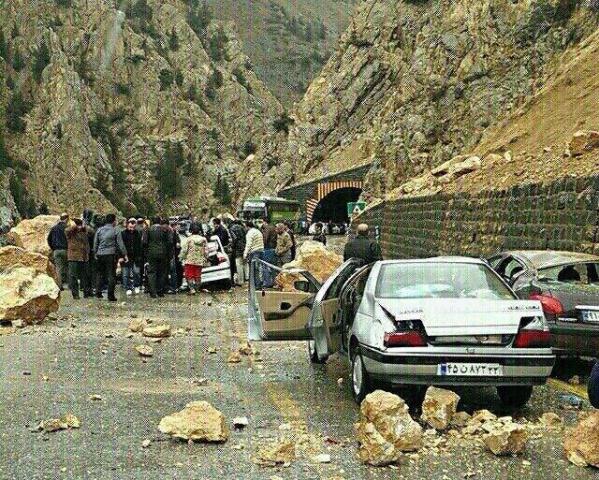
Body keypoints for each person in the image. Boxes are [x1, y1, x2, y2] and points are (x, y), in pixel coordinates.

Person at [93, 213, 128, 301]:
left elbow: (95, 243)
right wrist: (125, 254)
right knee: (111, 275)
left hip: (100, 254)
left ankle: (98, 293)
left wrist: (95, 253)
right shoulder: (116, 230)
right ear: (113, 221)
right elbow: (121, 244)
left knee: (99, 274)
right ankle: (110, 295)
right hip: (111, 255)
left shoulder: (99, 230)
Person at [143, 217, 172, 298]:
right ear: (160, 222)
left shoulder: (148, 230)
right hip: (163, 254)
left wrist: (146, 254)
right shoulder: (166, 229)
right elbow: (170, 242)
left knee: (152, 272)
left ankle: (153, 292)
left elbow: (144, 242)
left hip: (151, 254)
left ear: (152, 222)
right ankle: (160, 291)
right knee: (161, 272)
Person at [65, 218, 93, 299]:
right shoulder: (70, 232)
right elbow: (67, 230)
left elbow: (92, 232)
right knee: (73, 276)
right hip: (73, 257)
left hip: (84, 257)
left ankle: (86, 293)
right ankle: (75, 294)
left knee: (86, 276)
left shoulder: (84, 231)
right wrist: (75, 227)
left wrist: (85, 226)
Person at [179, 223, 209, 295]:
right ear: (199, 231)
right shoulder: (203, 240)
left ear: (191, 230)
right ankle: (197, 289)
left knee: (188, 276)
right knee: (197, 276)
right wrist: (206, 258)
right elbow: (206, 251)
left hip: (189, 261)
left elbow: (184, 250)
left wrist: (180, 258)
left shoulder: (188, 239)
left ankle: (192, 290)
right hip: (199, 261)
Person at [119, 218, 143, 295]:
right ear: (127, 225)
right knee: (126, 274)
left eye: (133, 227)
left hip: (136, 256)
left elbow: (140, 245)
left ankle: (136, 285)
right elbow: (120, 246)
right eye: (130, 227)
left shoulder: (138, 233)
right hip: (125, 256)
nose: (132, 229)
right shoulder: (123, 233)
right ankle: (128, 287)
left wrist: (140, 255)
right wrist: (121, 256)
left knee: (136, 272)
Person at [47, 213, 69, 290]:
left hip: (56, 250)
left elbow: (48, 239)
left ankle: (59, 286)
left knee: (58, 268)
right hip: (66, 250)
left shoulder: (54, 228)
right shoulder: (67, 228)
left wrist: (53, 248)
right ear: (66, 219)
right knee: (67, 267)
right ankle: (70, 285)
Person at [243, 220, 264, 288]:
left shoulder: (250, 233)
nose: (244, 228)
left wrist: (245, 254)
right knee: (258, 268)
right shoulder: (258, 231)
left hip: (254, 252)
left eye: (245, 227)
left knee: (254, 269)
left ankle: (256, 285)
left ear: (247, 227)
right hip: (260, 250)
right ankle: (258, 283)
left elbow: (248, 244)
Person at [261, 218, 278, 287]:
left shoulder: (267, 228)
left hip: (267, 248)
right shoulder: (274, 227)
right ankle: (274, 281)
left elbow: (265, 239)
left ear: (265, 222)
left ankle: (267, 283)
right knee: (273, 267)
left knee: (265, 266)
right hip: (273, 248)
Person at [230, 219, 247, 286]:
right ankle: (247, 279)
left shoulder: (232, 228)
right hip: (244, 246)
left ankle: (240, 281)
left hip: (237, 248)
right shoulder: (243, 228)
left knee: (239, 264)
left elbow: (235, 238)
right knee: (245, 264)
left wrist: (232, 246)